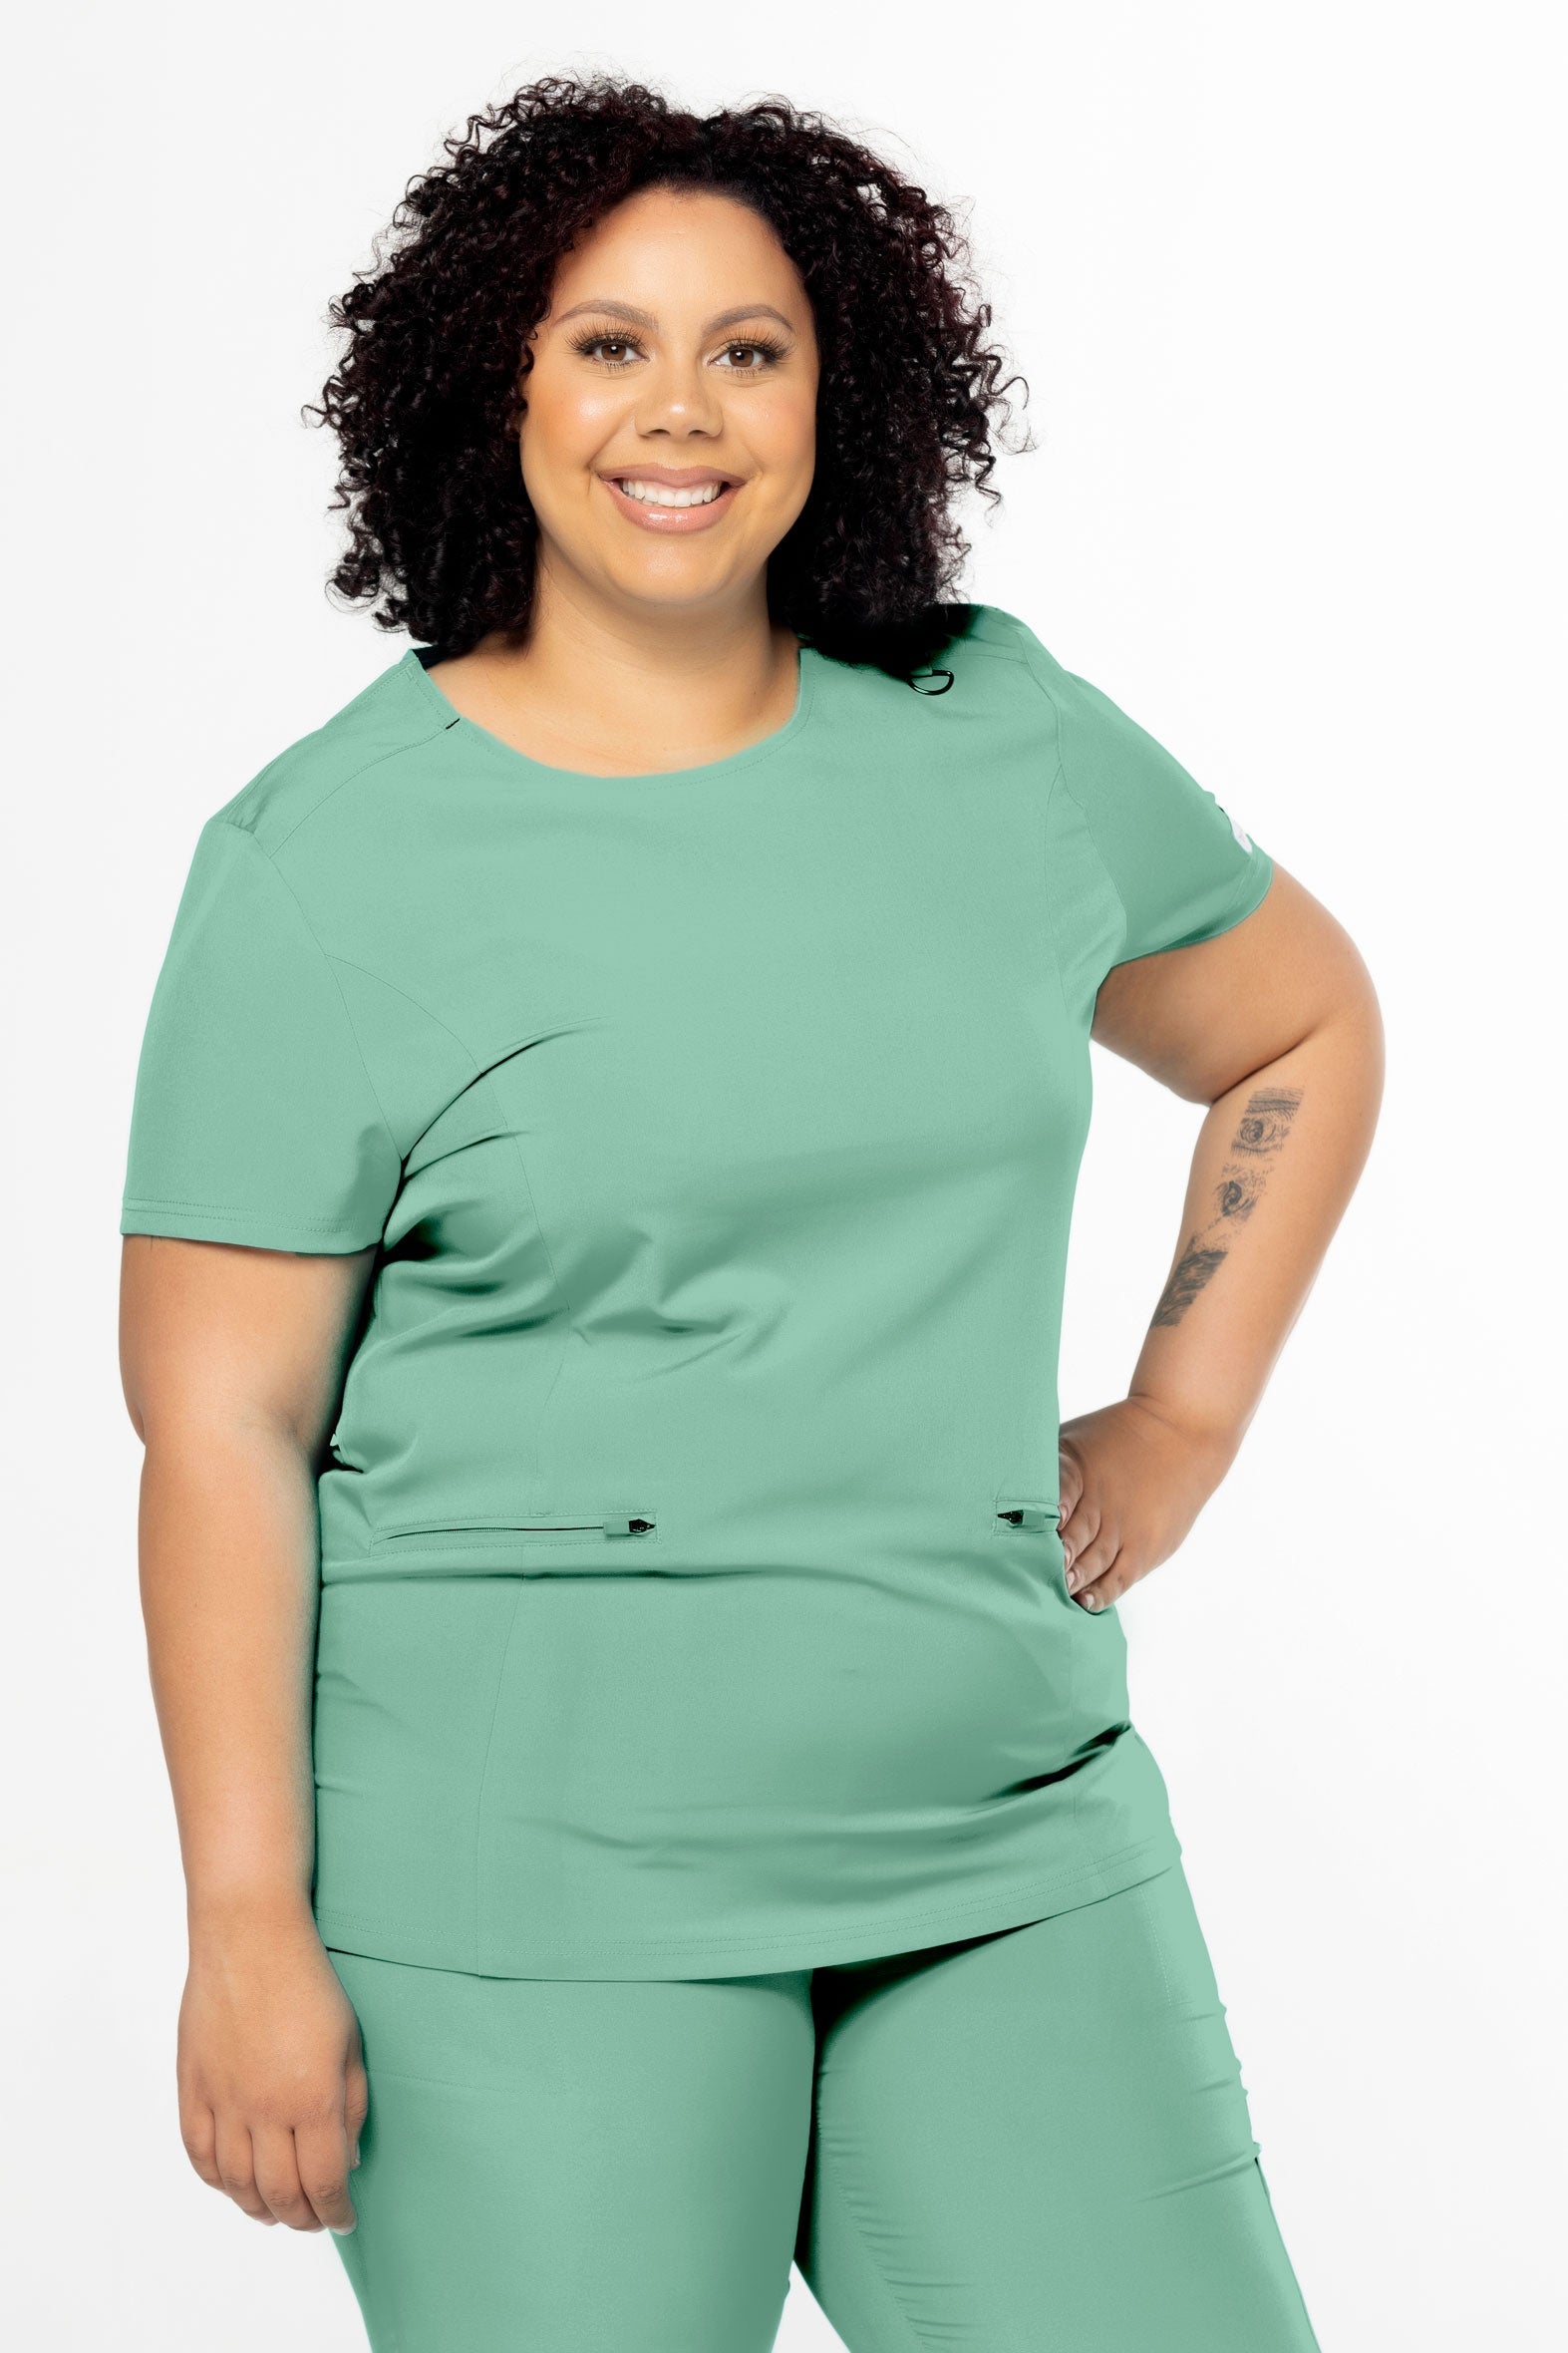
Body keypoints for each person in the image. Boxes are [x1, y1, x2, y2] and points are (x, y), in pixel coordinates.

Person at [118, 73, 1381, 2353]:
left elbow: (1293, 1022)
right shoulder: (326, 864)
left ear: (838, 391)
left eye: (749, 348)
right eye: (609, 344)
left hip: (1004, 1835)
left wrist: (1180, 1421)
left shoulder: (999, 733)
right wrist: (242, 1923)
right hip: (520, 1892)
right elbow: (222, 1430)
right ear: (496, 380)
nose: (679, 410)